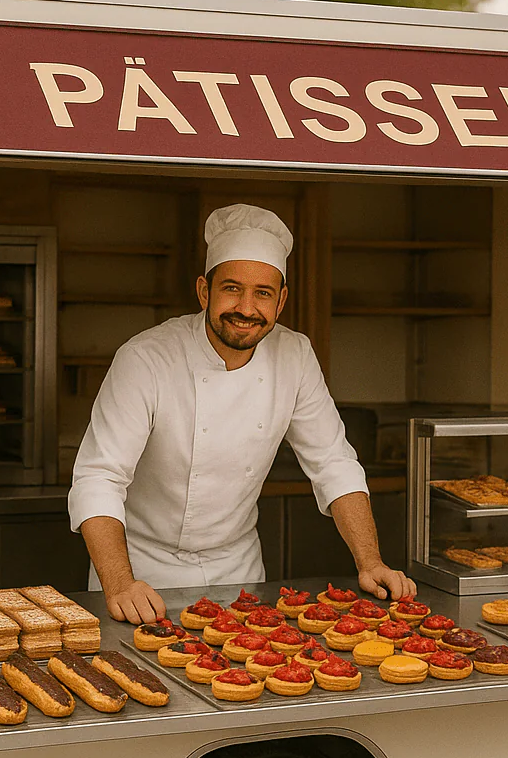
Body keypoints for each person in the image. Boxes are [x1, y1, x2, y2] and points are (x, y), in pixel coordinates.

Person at [69, 203, 417, 623]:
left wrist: (371, 561)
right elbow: (99, 476)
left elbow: (333, 463)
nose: (246, 308)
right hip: (140, 572)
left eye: (263, 293)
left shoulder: (295, 356)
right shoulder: (146, 358)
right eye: (232, 288)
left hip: (238, 572)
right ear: (204, 291)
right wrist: (120, 582)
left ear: (281, 300)